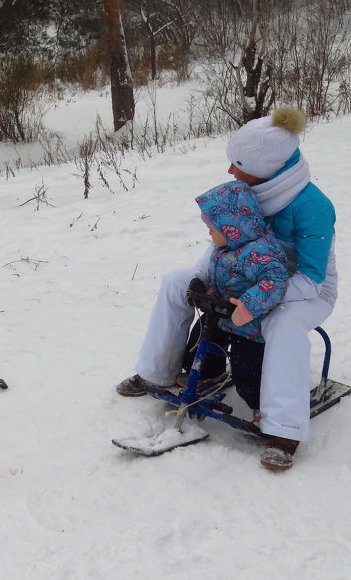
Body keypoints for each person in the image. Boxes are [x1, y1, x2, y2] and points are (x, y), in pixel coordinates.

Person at [116, 179, 292, 469]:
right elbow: (216, 271)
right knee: (200, 345)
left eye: (212, 228)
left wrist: (248, 306)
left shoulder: (260, 252)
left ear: (232, 229)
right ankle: (207, 376)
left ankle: (262, 407)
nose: (208, 234)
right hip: (221, 315)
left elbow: (274, 283)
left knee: (248, 371)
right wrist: (203, 285)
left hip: (251, 325)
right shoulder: (224, 248)